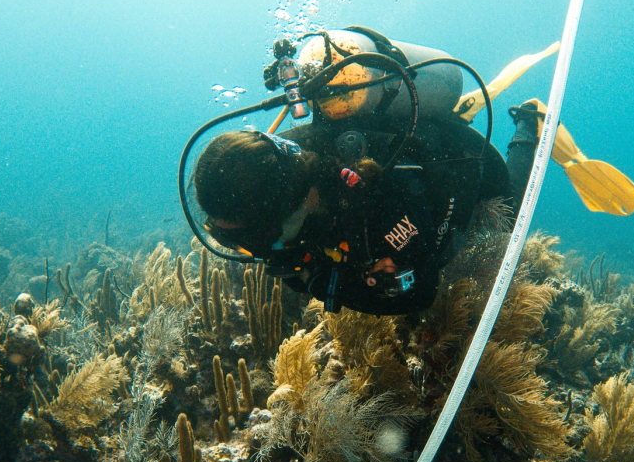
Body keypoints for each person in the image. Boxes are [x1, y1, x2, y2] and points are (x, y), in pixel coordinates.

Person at [193, 101, 544, 316]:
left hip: (464, 163)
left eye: (256, 238)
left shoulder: (379, 199)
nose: (253, 252)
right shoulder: (285, 165)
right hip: (419, 145)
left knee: (509, 217)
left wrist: (320, 282)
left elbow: (422, 293)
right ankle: (447, 117)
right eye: (226, 237)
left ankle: (529, 124)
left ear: (291, 205)